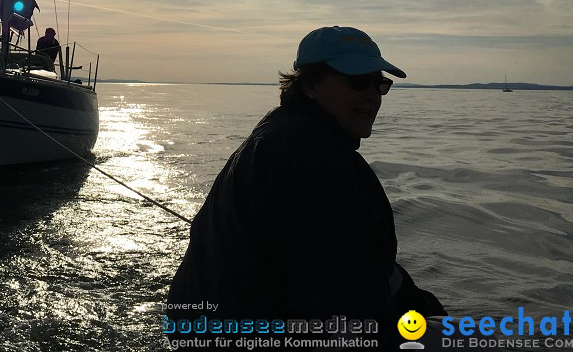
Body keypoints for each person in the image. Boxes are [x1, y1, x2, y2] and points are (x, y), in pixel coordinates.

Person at [165, 26, 445, 349]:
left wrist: (422, 308)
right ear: (311, 83)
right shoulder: (319, 162)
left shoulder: (276, 131)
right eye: (358, 81)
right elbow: (355, 301)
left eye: (380, 83)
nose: (372, 95)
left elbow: (364, 267)